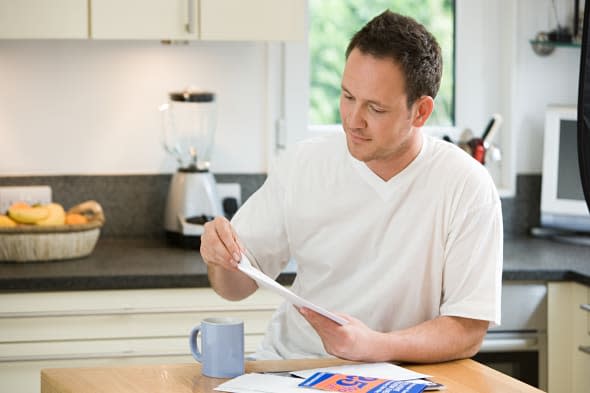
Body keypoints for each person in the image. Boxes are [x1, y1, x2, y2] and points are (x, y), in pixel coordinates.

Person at [200, 10, 503, 363]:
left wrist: (373, 346)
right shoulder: (303, 164)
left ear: (420, 112)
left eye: (375, 108)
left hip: (404, 376)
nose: (352, 120)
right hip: (292, 368)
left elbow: (467, 331)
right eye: (347, 97)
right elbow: (235, 287)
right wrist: (219, 259)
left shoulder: (466, 186)